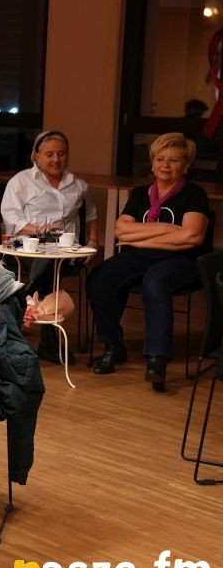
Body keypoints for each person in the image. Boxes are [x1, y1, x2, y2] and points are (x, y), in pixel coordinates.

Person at [87, 133, 210, 390]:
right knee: (101, 276)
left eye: (174, 160)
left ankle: (157, 360)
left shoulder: (194, 194)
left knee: (156, 280)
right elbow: (121, 231)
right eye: (160, 159)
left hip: (182, 261)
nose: (165, 165)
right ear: (152, 164)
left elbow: (192, 236)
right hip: (138, 257)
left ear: (185, 166)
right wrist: (169, 230)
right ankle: (113, 346)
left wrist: (141, 238)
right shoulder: (140, 194)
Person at [0, 130, 99, 364]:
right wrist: (41, 230)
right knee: (47, 264)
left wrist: (93, 242)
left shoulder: (78, 185)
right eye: (50, 154)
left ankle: (24, 300)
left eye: (61, 154)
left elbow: (91, 214)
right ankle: (49, 341)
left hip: (64, 251)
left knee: (49, 262)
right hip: (23, 246)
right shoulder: (21, 182)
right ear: (36, 156)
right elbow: (11, 220)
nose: (56, 159)